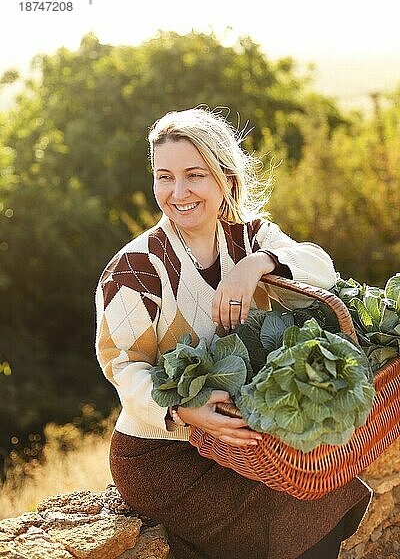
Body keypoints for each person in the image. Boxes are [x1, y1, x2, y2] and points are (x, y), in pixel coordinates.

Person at [95, 107, 371, 559]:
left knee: (327, 494)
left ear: (225, 176)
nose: (177, 192)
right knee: (292, 520)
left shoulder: (250, 237)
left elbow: (322, 268)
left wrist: (256, 266)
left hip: (242, 443)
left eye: (194, 175)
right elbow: (123, 368)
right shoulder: (136, 269)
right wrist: (185, 412)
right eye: (164, 177)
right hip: (163, 453)